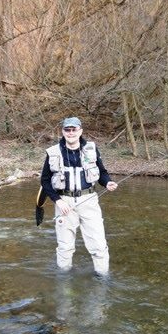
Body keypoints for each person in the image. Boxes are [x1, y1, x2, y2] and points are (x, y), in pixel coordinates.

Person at [40, 117, 118, 275]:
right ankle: (64, 281)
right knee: (65, 247)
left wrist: (107, 182)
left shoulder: (91, 149)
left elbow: (102, 173)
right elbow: (45, 181)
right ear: (62, 132)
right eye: (67, 130)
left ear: (80, 131)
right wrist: (57, 200)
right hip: (64, 203)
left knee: (98, 245)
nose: (71, 133)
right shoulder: (53, 152)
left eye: (74, 129)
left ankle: (103, 279)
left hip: (89, 201)